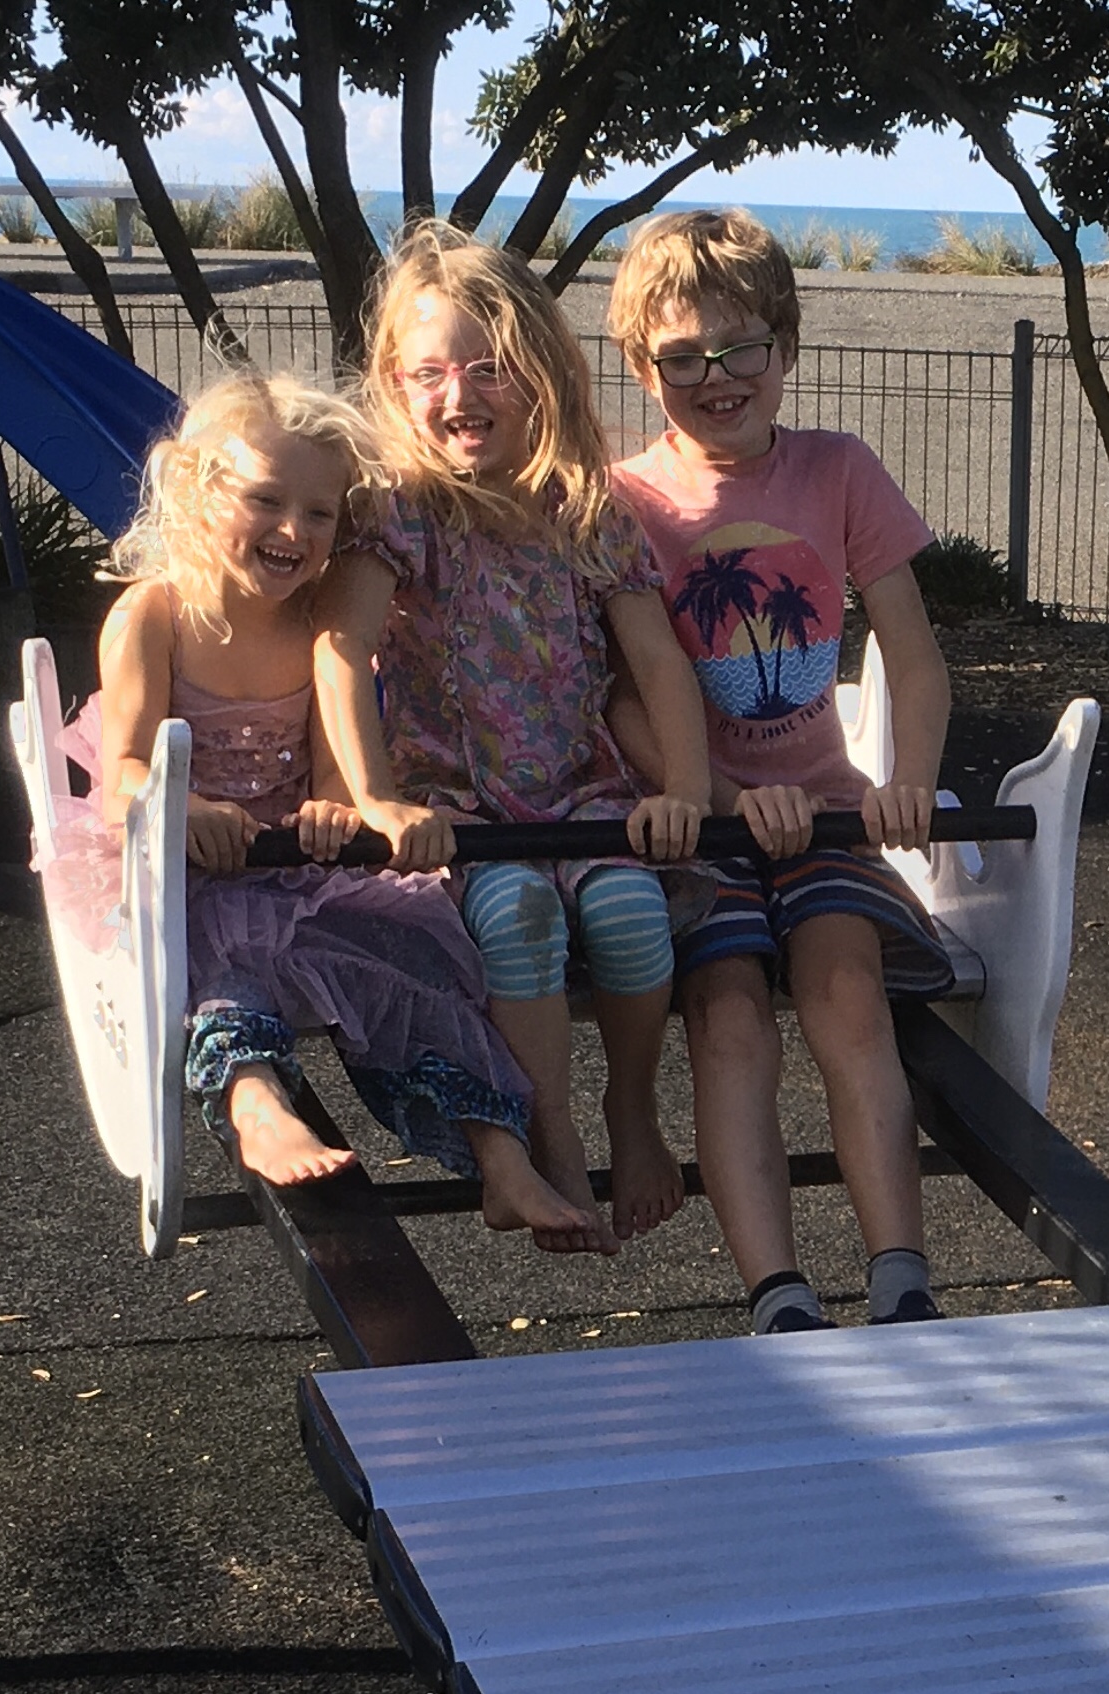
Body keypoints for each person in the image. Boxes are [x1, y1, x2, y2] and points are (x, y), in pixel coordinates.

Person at [48, 370, 592, 1240]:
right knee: (221, 970)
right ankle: (256, 1105)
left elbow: (331, 766)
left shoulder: (314, 627)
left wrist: (335, 809)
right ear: (197, 490)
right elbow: (124, 773)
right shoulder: (155, 616)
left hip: (284, 867)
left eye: (319, 513)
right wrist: (186, 811)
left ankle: (502, 1159)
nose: (293, 530)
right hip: (182, 872)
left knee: (415, 965)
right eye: (266, 500)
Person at [312, 221, 714, 1256]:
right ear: (394, 385)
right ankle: (551, 1127)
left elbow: (657, 659)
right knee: (518, 915)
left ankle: (632, 1105)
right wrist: (376, 797)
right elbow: (339, 648)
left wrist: (685, 787)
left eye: (490, 368)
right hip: (464, 813)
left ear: (542, 377)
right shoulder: (397, 512)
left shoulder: (583, 509)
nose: (461, 394)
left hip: (581, 795)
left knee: (630, 910)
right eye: (430, 372)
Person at [608, 209, 954, 1330]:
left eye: (740, 347)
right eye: (682, 358)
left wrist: (909, 777)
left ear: (786, 345)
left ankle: (899, 1275)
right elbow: (617, 695)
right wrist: (718, 798)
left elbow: (912, 652)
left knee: (847, 989)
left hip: (828, 814)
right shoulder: (623, 503)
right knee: (727, 1013)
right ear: (642, 366)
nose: (717, 377)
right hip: (699, 825)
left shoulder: (837, 470)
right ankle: (778, 1294)